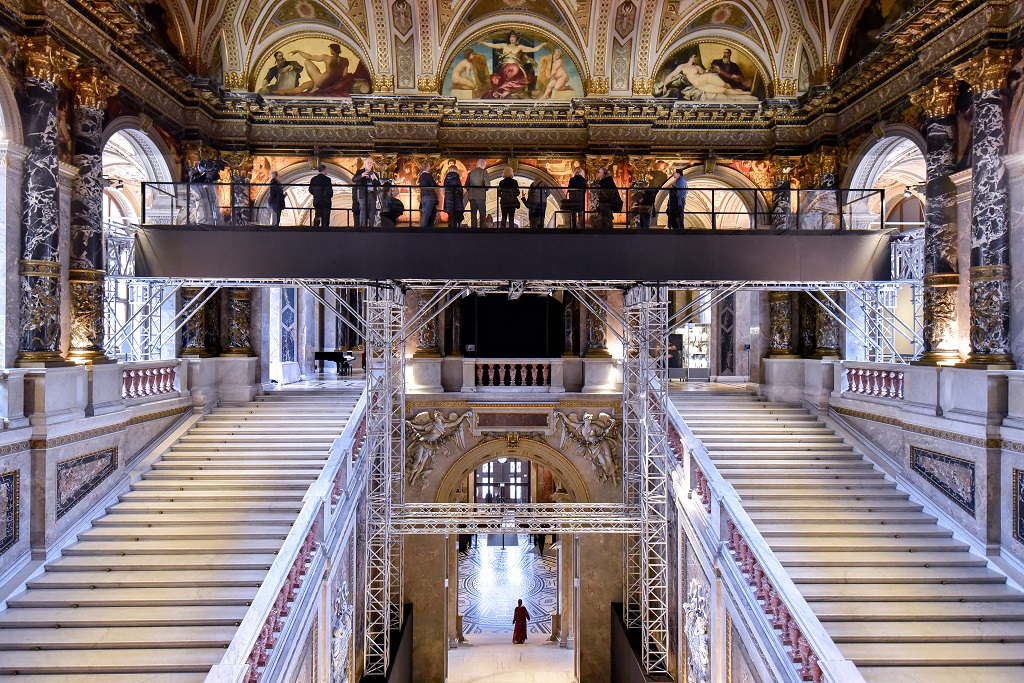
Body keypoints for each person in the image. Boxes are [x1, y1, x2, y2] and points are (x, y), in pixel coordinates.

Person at [480, 32, 548, 99]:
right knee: (506, 75)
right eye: (511, 37)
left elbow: (533, 49)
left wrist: (542, 44)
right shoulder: (504, 45)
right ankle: (505, 91)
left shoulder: (520, 47)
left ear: (517, 38)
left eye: (514, 37)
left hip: (515, 66)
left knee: (515, 69)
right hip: (505, 67)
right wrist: (482, 42)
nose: (512, 38)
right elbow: (492, 45)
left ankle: (507, 91)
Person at [353, 157, 380, 228]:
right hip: (362, 193)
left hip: (372, 194)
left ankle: (371, 227)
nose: (370, 164)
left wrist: (374, 179)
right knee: (363, 210)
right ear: (365, 163)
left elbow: (378, 184)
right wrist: (362, 175)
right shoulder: (360, 172)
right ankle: (363, 227)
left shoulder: (374, 174)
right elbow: (354, 179)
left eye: (371, 163)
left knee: (372, 211)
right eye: (368, 162)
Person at [308, 164, 333, 228]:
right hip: (326, 201)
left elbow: (310, 190)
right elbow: (329, 191)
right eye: (326, 170)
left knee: (317, 215)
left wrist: (316, 195)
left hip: (317, 201)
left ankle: (316, 227)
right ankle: (325, 229)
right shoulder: (327, 180)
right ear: (324, 170)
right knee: (326, 217)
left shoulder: (314, 179)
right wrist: (329, 196)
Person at [465, 159, 488, 228]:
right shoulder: (484, 172)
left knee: (473, 214)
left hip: (472, 196)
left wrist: (470, 190)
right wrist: (484, 189)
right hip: (480, 196)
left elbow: (466, 185)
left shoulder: (471, 172)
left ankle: (473, 229)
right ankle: (482, 229)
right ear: (484, 165)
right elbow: (487, 184)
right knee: (482, 213)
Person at [443, 162, 465, 228]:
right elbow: (460, 188)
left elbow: (444, 188)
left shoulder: (446, 178)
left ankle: (450, 226)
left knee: (450, 214)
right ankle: (455, 226)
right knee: (456, 214)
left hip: (448, 198)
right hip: (456, 198)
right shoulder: (456, 176)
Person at [418, 162, 438, 228]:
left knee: (426, 211)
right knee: (429, 212)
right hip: (430, 196)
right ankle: (427, 226)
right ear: (427, 167)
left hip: (423, 196)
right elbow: (434, 184)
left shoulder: (421, 176)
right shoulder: (428, 175)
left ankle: (425, 226)